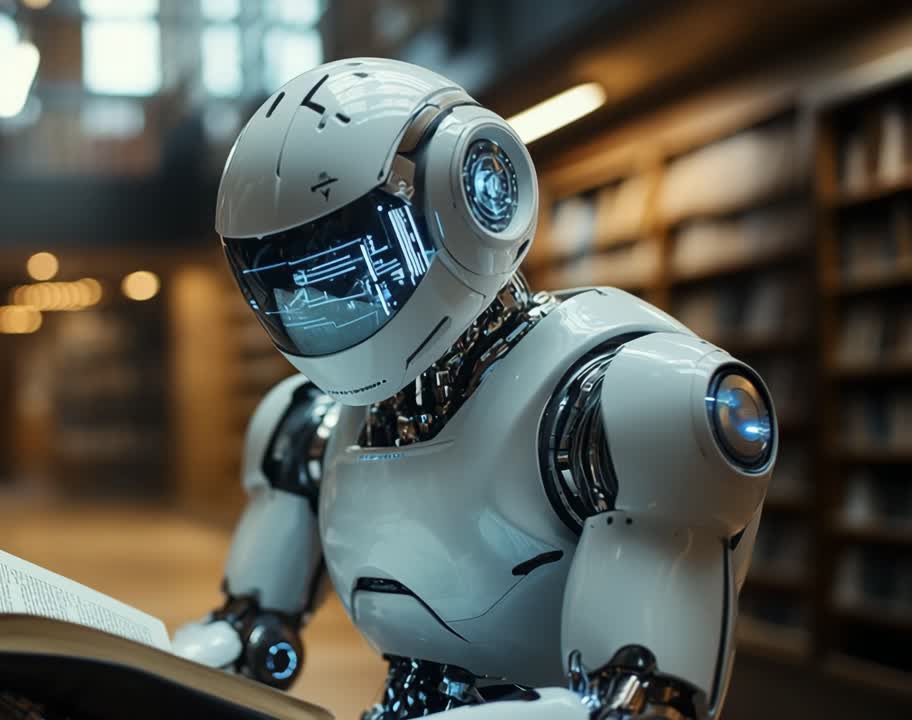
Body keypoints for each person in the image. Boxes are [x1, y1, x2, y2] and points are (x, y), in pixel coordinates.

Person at [173, 58, 775, 720]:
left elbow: (639, 704)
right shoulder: (309, 423)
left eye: (352, 270)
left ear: (472, 193)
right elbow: (251, 634)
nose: (324, 302)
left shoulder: (621, 403)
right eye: (289, 284)